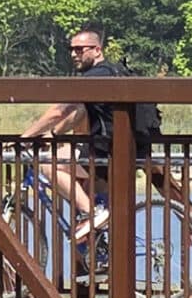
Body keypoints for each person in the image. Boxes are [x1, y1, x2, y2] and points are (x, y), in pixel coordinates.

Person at [19, 28, 158, 254]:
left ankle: (91, 214)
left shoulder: (94, 76)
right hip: (129, 149)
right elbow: (81, 111)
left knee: (48, 165)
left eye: (79, 50)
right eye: (71, 50)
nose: (74, 54)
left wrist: (25, 137)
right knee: (90, 189)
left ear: (96, 49)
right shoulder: (113, 71)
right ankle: (104, 252)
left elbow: (59, 110)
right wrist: (54, 134)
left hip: (110, 151)